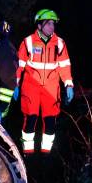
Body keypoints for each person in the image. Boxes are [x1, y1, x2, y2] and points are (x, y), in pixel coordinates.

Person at [13, 9, 74, 153]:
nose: (51, 27)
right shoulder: (28, 42)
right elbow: (19, 65)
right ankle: (27, 152)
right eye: (48, 24)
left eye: (53, 24)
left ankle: (46, 153)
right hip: (31, 87)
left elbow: (64, 66)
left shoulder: (59, 43)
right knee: (31, 119)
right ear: (39, 25)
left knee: (50, 121)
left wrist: (69, 84)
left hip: (51, 88)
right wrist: (15, 84)